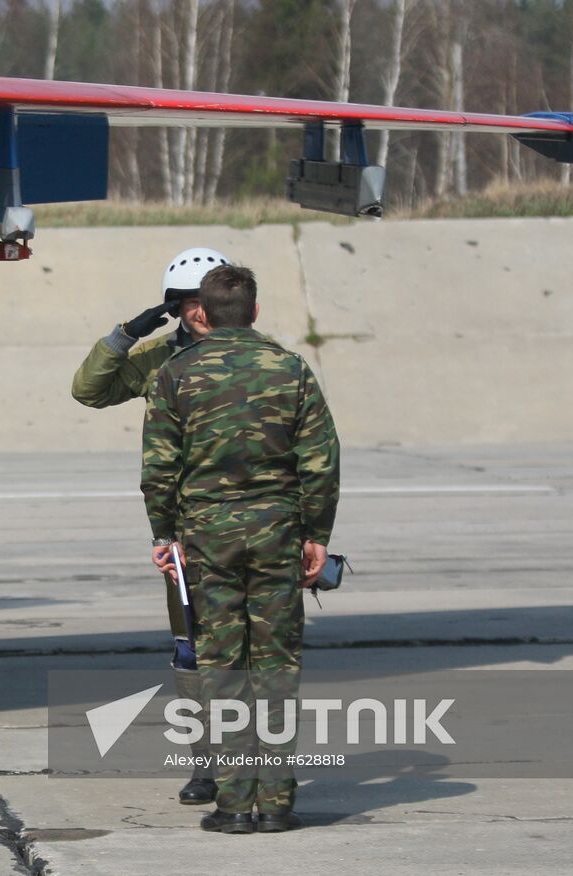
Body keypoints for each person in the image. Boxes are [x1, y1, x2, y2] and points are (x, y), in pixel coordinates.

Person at [141, 263, 340, 835]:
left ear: (201, 313)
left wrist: (165, 535)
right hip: (278, 532)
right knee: (276, 665)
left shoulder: (176, 373)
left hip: (208, 539)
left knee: (223, 666)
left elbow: (159, 467)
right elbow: (320, 463)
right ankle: (276, 805)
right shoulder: (291, 370)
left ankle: (232, 805)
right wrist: (316, 536)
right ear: (254, 311)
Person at [71, 247, 232, 806]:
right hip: (185, 535)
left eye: (208, 303)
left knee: (254, 652)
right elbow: (89, 390)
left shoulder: (263, 360)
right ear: (177, 308)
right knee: (191, 651)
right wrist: (126, 334)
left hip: (253, 528)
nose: (202, 316)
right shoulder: (159, 360)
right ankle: (205, 768)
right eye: (190, 305)